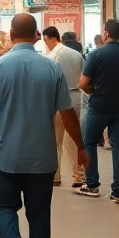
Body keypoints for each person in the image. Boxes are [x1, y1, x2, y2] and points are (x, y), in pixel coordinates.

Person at [0, 14, 86, 238]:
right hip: (42, 158)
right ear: (37, 35)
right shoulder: (51, 68)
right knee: (38, 218)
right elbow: (67, 113)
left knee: (4, 208)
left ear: (11, 35)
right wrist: (81, 147)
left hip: (5, 156)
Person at [76, 18, 119, 202]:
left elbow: (83, 83)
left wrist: (92, 92)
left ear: (106, 33)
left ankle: (92, 184)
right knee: (118, 146)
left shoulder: (96, 55)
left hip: (98, 106)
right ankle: (118, 191)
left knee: (89, 142)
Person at [42, 23, 85, 188]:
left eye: (46, 40)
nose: (46, 44)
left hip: (58, 100)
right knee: (75, 139)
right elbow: (83, 78)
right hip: (76, 97)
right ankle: (79, 175)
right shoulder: (76, 55)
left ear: (51, 38)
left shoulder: (51, 58)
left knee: (55, 140)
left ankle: (56, 175)